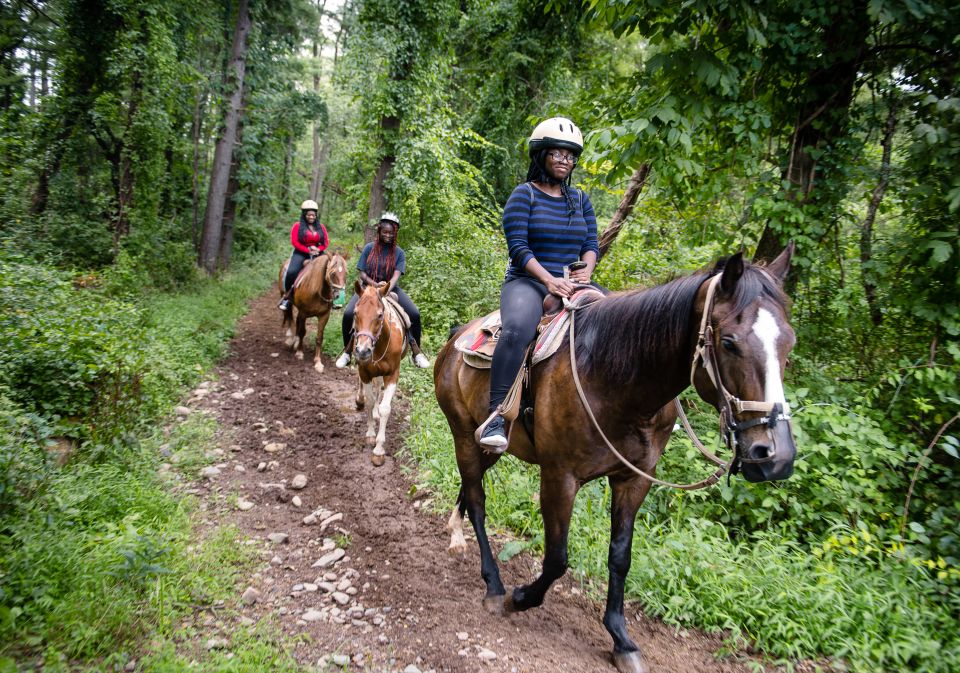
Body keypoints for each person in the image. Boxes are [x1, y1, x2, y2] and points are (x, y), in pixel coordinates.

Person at [478, 117, 600, 451]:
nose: (565, 160)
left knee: (619, 320)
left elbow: (591, 243)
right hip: (529, 282)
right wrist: (549, 281)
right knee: (517, 329)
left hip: (573, 283)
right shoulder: (524, 196)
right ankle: (496, 415)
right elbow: (519, 248)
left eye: (570, 155)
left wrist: (586, 271)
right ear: (541, 155)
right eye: (558, 153)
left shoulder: (581, 200)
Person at [336, 212, 431, 369]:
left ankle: (416, 351)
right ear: (379, 231)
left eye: (391, 233)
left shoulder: (399, 253)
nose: (388, 235)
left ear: (395, 233)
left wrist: (385, 288)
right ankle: (347, 352)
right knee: (347, 315)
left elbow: (396, 276)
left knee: (414, 314)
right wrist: (375, 285)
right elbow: (362, 274)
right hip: (367, 289)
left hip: (390, 289)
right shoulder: (369, 248)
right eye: (385, 232)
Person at [278, 199, 329, 311]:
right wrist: (308, 250)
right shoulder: (297, 226)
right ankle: (287, 297)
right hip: (301, 253)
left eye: (313, 215)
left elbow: (325, 242)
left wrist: (318, 249)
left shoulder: (321, 227)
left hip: (318, 253)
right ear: (304, 214)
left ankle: (330, 299)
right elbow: (295, 242)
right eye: (309, 214)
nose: (311, 217)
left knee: (330, 271)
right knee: (291, 272)